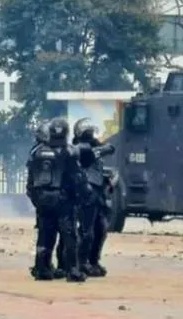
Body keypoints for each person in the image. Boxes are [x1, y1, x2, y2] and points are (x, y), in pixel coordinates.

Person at [26, 117, 87, 282]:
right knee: (69, 236)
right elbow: (78, 178)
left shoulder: (37, 152)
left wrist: (36, 200)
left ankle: (42, 269)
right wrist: (82, 196)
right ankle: (72, 270)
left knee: (45, 236)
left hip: (43, 201)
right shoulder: (70, 151)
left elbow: (30, 181)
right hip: (64, 201)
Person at [72, 117, 115, 277]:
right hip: (85, 191)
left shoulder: (95, 145)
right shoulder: (76, 147)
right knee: (86, 231)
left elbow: (111, 148)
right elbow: (83, 155)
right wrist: (98, 150)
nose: (89, 134)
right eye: (87, 131)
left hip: (98, 192)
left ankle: (93, 260)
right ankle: (81, 262)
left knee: (101, 228)